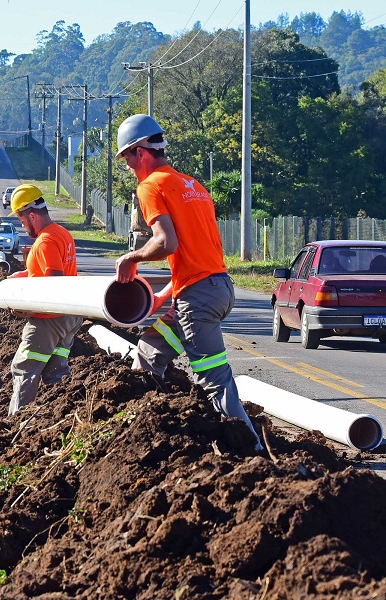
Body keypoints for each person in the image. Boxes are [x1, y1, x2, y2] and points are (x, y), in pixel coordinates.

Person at [113, 114, 263, 451]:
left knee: (214, 378)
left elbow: (167, 243)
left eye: (127, 160)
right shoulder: (192, 185)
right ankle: (141, 429)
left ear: (140, 152)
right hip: (216, 287)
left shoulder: (150, 186)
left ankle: (250, 448)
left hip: (198, 299)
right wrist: (167, 293)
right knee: (150, 350)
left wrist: (131, 258)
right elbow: (197, 254)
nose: (129, 169)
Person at [5, 184, 83, 415]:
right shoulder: (62, 233)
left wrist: (27, 310)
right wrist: (23, 275)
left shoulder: (45, 241)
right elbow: (57, 271)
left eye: (21, 219)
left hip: (48, 320)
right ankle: (63, 416)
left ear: (31, 214)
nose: (21, 224)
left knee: (24, 369)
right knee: (56, 372)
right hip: (70, 315)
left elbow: (53, 283)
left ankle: (15, 422)